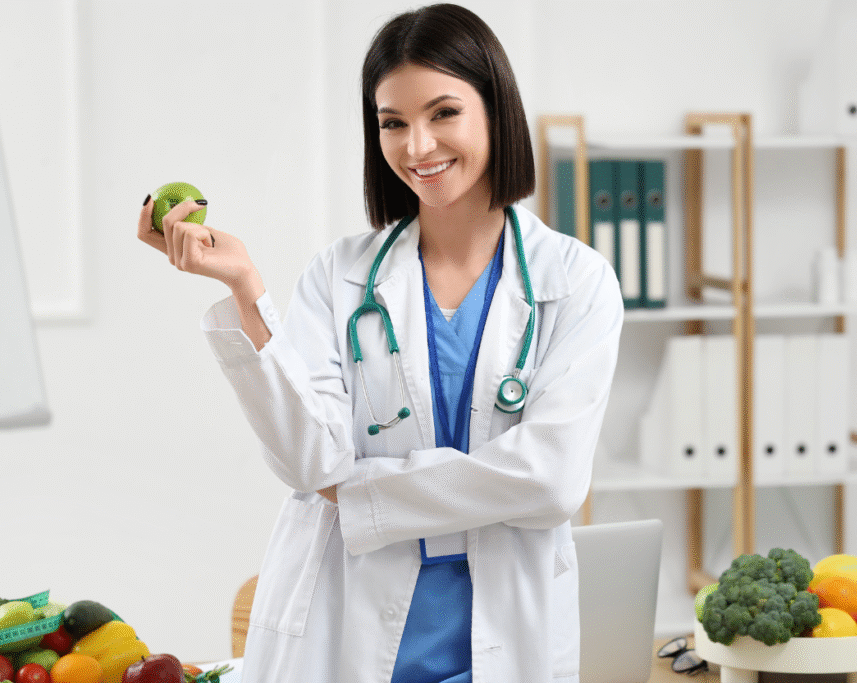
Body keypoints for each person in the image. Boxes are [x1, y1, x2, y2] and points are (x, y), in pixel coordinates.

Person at [137, 4, 622, 682]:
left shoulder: (575, 282)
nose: (417, 146)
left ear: (496, 110)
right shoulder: (341, 276)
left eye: (443, 113)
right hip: (347, 638)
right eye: (392, 122)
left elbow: (551, 478)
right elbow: (311, 460)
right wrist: (246, 286)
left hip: (504, 642)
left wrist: (358, 490)